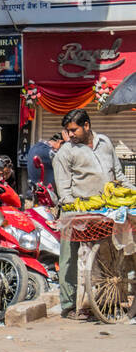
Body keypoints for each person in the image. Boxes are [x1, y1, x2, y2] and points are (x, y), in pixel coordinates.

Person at [53, 108, 131, 320]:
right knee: (70, 260)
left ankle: (106, 301)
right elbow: (64, 190)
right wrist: (77, 209)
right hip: (77, 213)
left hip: (106, 212)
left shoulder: (105, 143)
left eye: (74, 130)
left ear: (86, 125)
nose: (70, 135)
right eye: (68, 131)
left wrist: (131, 192)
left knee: (106, 257)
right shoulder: (65, 152)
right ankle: (70, 306)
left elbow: (118, 175)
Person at [26, 132, 63, 203]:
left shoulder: (35, 147)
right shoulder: (49, 152)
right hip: (42, 198)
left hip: (32, 194)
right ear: (59, 142)